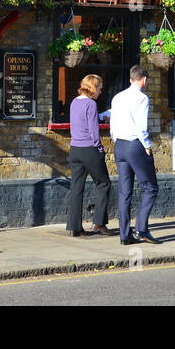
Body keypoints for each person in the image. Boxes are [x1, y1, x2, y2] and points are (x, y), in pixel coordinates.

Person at [109, 65, 161, 245]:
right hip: (134, 146)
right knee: (150, 187)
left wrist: (115, 139)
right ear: (144, 80)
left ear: (131, 79)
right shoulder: (142, 98)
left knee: (124, 192)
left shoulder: (117, 97)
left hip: (119, 146)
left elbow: (113, 122)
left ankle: (124, 235)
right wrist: (146, 145)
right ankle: (141, 230)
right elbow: (141, 126)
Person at [66, 74, 112, 237]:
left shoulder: (74, 102)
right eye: (99, 88)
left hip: (75, 149)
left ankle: (74, 227)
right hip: (89, 149)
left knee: (76, 188)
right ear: (92, 88)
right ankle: (99, 223)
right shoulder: (91, 104)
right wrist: (99, 147)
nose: (100, 92)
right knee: (104, 183)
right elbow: (93, 130)